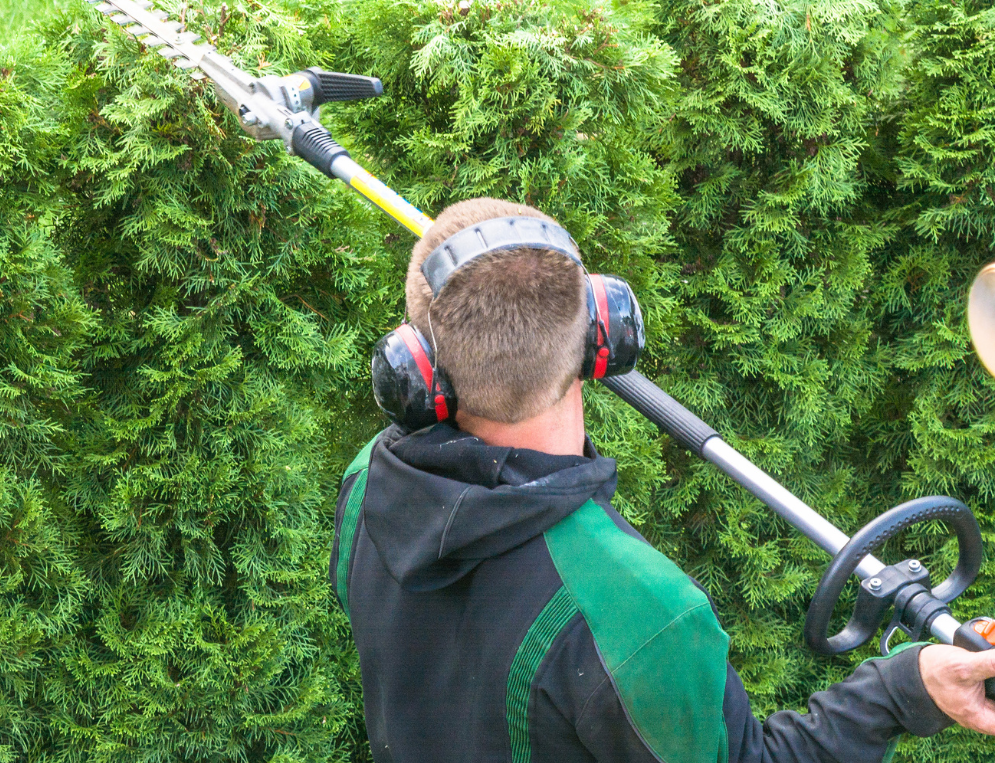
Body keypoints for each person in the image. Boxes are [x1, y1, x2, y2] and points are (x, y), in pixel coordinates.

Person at [331, 197, 995, 762]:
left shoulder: (369, 482)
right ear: (605, 335)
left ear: (414, 372)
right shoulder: (642, 613)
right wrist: (904, 688)